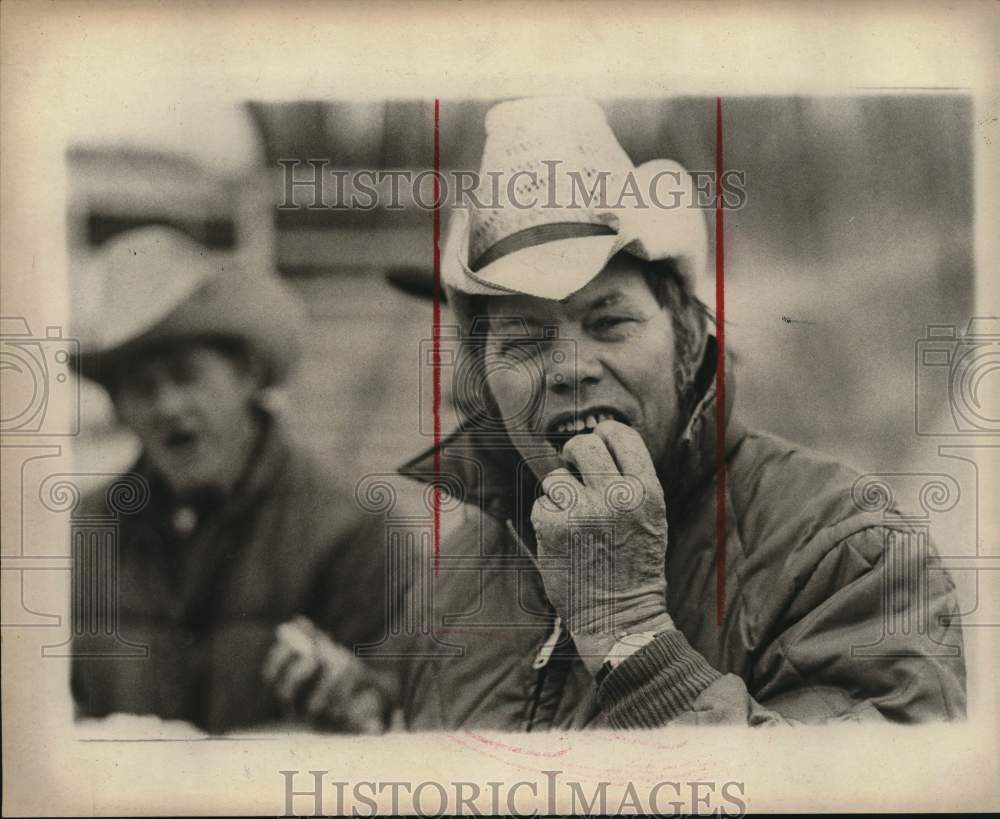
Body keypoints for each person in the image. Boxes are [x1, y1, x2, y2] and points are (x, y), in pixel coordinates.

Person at [398, 97, 966, 729]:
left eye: (609, 322)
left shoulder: (847, 549)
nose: (567, 368)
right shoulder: (455, 578)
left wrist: (633, 637)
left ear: (687, 340)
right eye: (524, 342)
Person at [69, 227, 395, 734]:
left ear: (246, 375)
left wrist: (357, 694)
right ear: (118, 407)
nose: (168, 407)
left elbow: (399, 708)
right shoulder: (83, 534)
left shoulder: (351, 526)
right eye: (142, 386)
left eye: (185, 375)